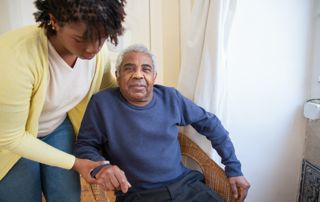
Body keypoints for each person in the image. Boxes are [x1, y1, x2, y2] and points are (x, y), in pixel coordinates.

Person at [75, 44, 251, 202]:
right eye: (129, 69)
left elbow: (210, 124)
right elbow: (84, 145)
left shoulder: (170, 97)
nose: (138, 75)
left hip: (186, 188)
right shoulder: (102, 103)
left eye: (146, 69)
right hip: (139, 195)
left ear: (154, 76)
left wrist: (233, 167)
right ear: (118, 76)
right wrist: (101, 167)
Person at [0, 0, 126, 201]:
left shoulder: (96, 50)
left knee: (66, 197)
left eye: (102, 39)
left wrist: (148, 103)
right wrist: (76, 163)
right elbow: (10, 137)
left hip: (56, 126)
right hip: (9, 139)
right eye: (80, 39)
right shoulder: (15, 58)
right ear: (54, 20)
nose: (93, 49)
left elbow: (107, 88)